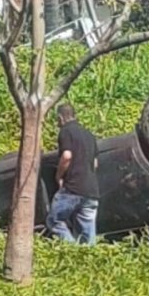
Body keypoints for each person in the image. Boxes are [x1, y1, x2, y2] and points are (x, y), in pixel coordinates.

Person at [46, 102, 99, 245]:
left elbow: (67, 156)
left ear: (60, 117)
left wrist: (59, 176)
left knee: (54, 220)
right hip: (91, 191)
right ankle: (88, 260)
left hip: (72, 188)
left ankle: (72, 249)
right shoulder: (89, 134)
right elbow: (95, 164)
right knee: (88, 233)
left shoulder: (66, 131)